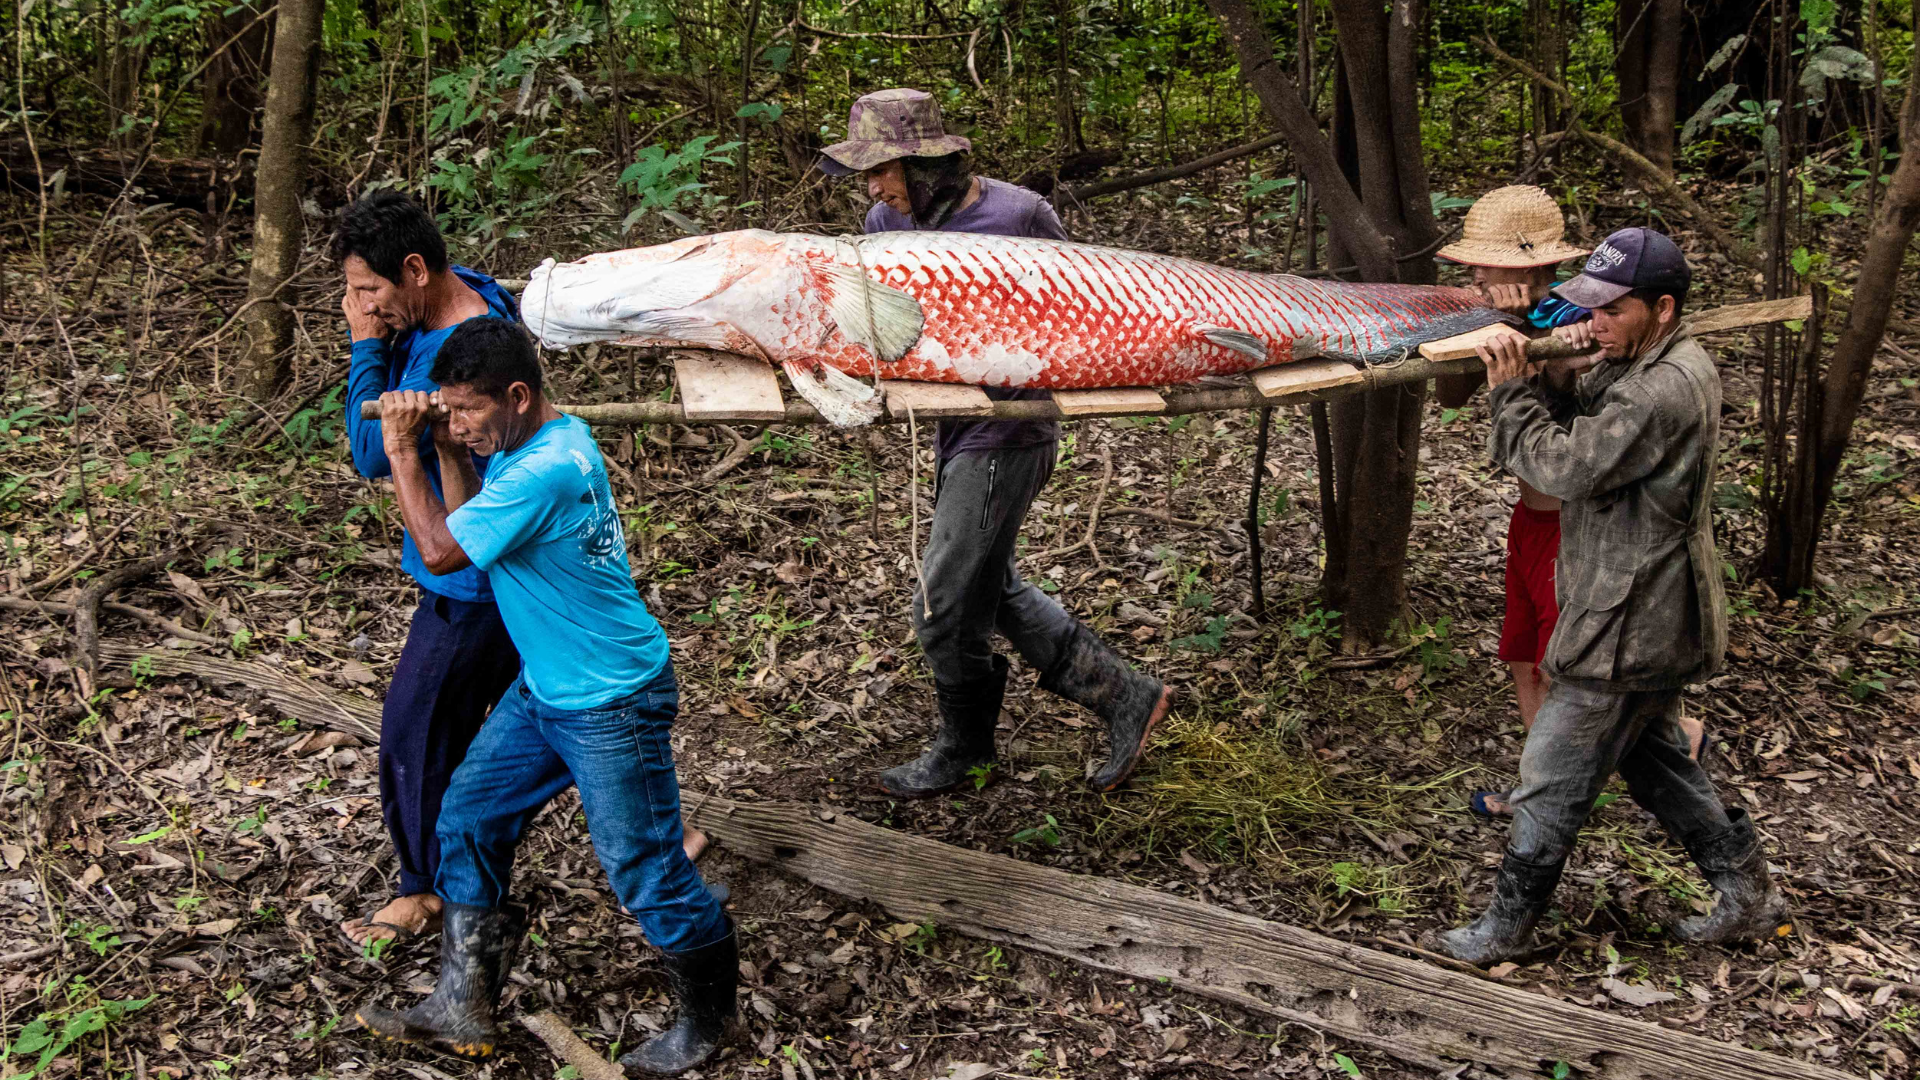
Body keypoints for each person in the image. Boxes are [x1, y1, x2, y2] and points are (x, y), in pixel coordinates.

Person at [353, 320, 734, 1074]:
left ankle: (710, 1018)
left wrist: (401, 447)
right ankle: (462, 1002)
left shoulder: (547, 470)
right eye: (452, 409)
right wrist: (447, 448)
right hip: (547, 688)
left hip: (610, 699)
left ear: (519, 396)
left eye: (469, 410)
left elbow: (440, 550)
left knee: (644, 869)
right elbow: (470, 532)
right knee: (468, 818)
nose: (460, 423)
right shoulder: (535, 441)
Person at [1433, 228, 1790, 964]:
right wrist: (1555, 374)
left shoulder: (1663, 388)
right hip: (1643, 606)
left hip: (1632, 619)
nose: (1595, 323)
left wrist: (1512, 392)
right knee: (1656, 762)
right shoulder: (1651, 361)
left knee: (1550, 770)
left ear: (1663, 309)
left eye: (1612, 311)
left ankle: (1507, 926)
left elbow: (1566, 468)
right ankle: (1749, 897)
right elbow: (1591, 408)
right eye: (1591, 309)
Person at [816, 88, 1174, 797]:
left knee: (943, 603)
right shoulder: (884, 221)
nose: (874, 189)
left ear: (927, 165)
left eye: (883, 170)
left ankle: (963, 748)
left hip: (1010, 430)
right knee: (993, 586)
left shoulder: (1019, 215)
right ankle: (1126, 695)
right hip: (953, 426)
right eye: (867, 174)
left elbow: (1091, 303)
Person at [1433, 186, 1704, 817]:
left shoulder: (1589, 320)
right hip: (1530, 519)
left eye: (1484, 265)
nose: (1476, 276)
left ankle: (1556, 795)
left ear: (1529, 267)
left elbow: (1576, 445)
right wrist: (1488, 326)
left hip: (1574, 528)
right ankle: (1543, 786)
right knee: (1523, 656)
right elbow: (1449, 394)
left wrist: (1545, 343)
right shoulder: (1496, 314)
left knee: (1566, 666)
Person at [335, 191, 524, 948]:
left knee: (414, 732)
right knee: (539, 714)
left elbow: (368, 451)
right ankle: (665, 833)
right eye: (355, 293)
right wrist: (383, 318)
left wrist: (365, 346)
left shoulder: (443, 354)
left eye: (370, 289)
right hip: (505, 563)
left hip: (469, 580)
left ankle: (424, 891)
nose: (363, 306)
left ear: (415, 270)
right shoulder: (475, 291)